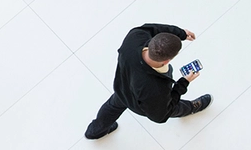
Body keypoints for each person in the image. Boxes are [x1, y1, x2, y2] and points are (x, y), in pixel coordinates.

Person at [84, 23, 212, 140]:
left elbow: (151, 28)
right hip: (142, 104)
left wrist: (180, 33)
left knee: (112, 107)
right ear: (167, 61)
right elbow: (160, 116)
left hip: (122, 88)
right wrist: (183, 83)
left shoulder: (134, 38)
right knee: (172, 106)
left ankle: (94, 131)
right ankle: (192, 108)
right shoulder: (156, 89)